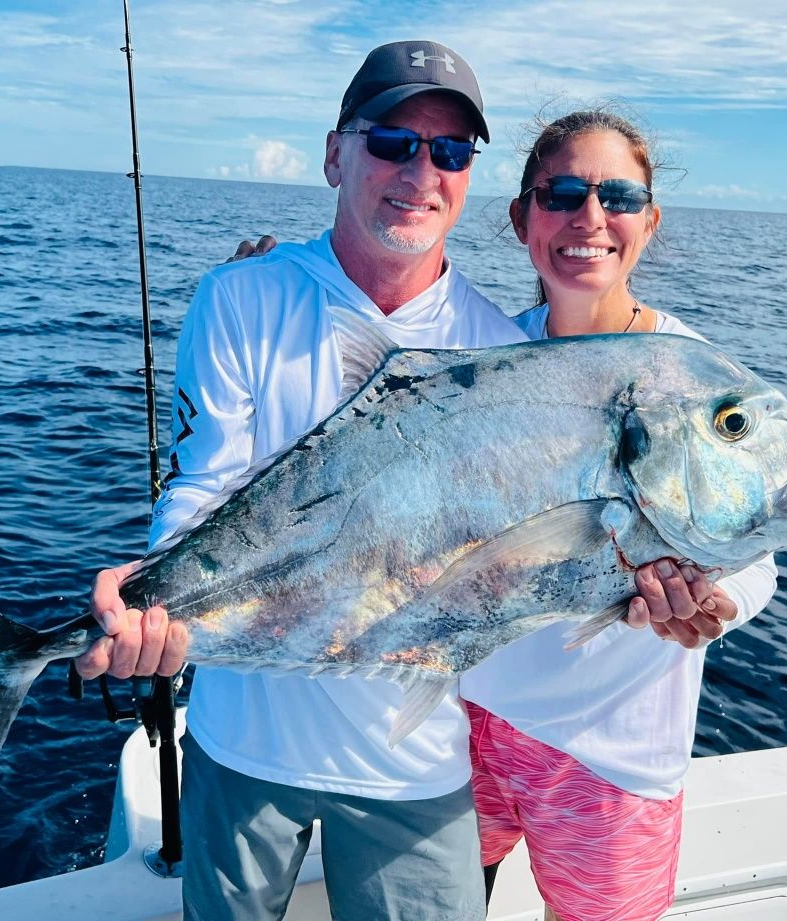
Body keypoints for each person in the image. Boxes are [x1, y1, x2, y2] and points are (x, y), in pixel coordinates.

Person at [77, 40, 525, 921]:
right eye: (392, 140)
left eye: (450, 150)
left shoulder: (502, 353)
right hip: (242, 744)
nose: (421, 170)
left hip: (417, 761)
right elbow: (202, 488)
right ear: (334, 154)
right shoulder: (241, 297)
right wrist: (150, 597)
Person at [458, 109, 779, 921]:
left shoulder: (695, 379)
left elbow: (757, 551)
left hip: (608, 756)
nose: (589, 217)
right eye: (561, 191)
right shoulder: (484, 357)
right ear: (522, 217)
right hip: (464, 721)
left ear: (650, 219)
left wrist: (714, 604)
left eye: (618, 194)